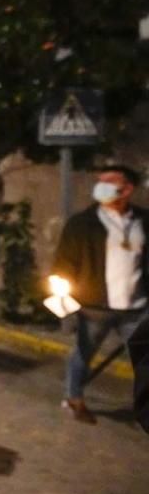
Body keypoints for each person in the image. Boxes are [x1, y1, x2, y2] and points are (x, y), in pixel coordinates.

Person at [51, 164, 148, 424]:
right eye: (100, 181)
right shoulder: (83, 223)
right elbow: (64, 262)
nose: (101, 187)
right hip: (95, 305)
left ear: (127, 189)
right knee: (83, 353)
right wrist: (62, 293)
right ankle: (74, 398)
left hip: (136, 306)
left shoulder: (143, 221)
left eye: (109, 181)